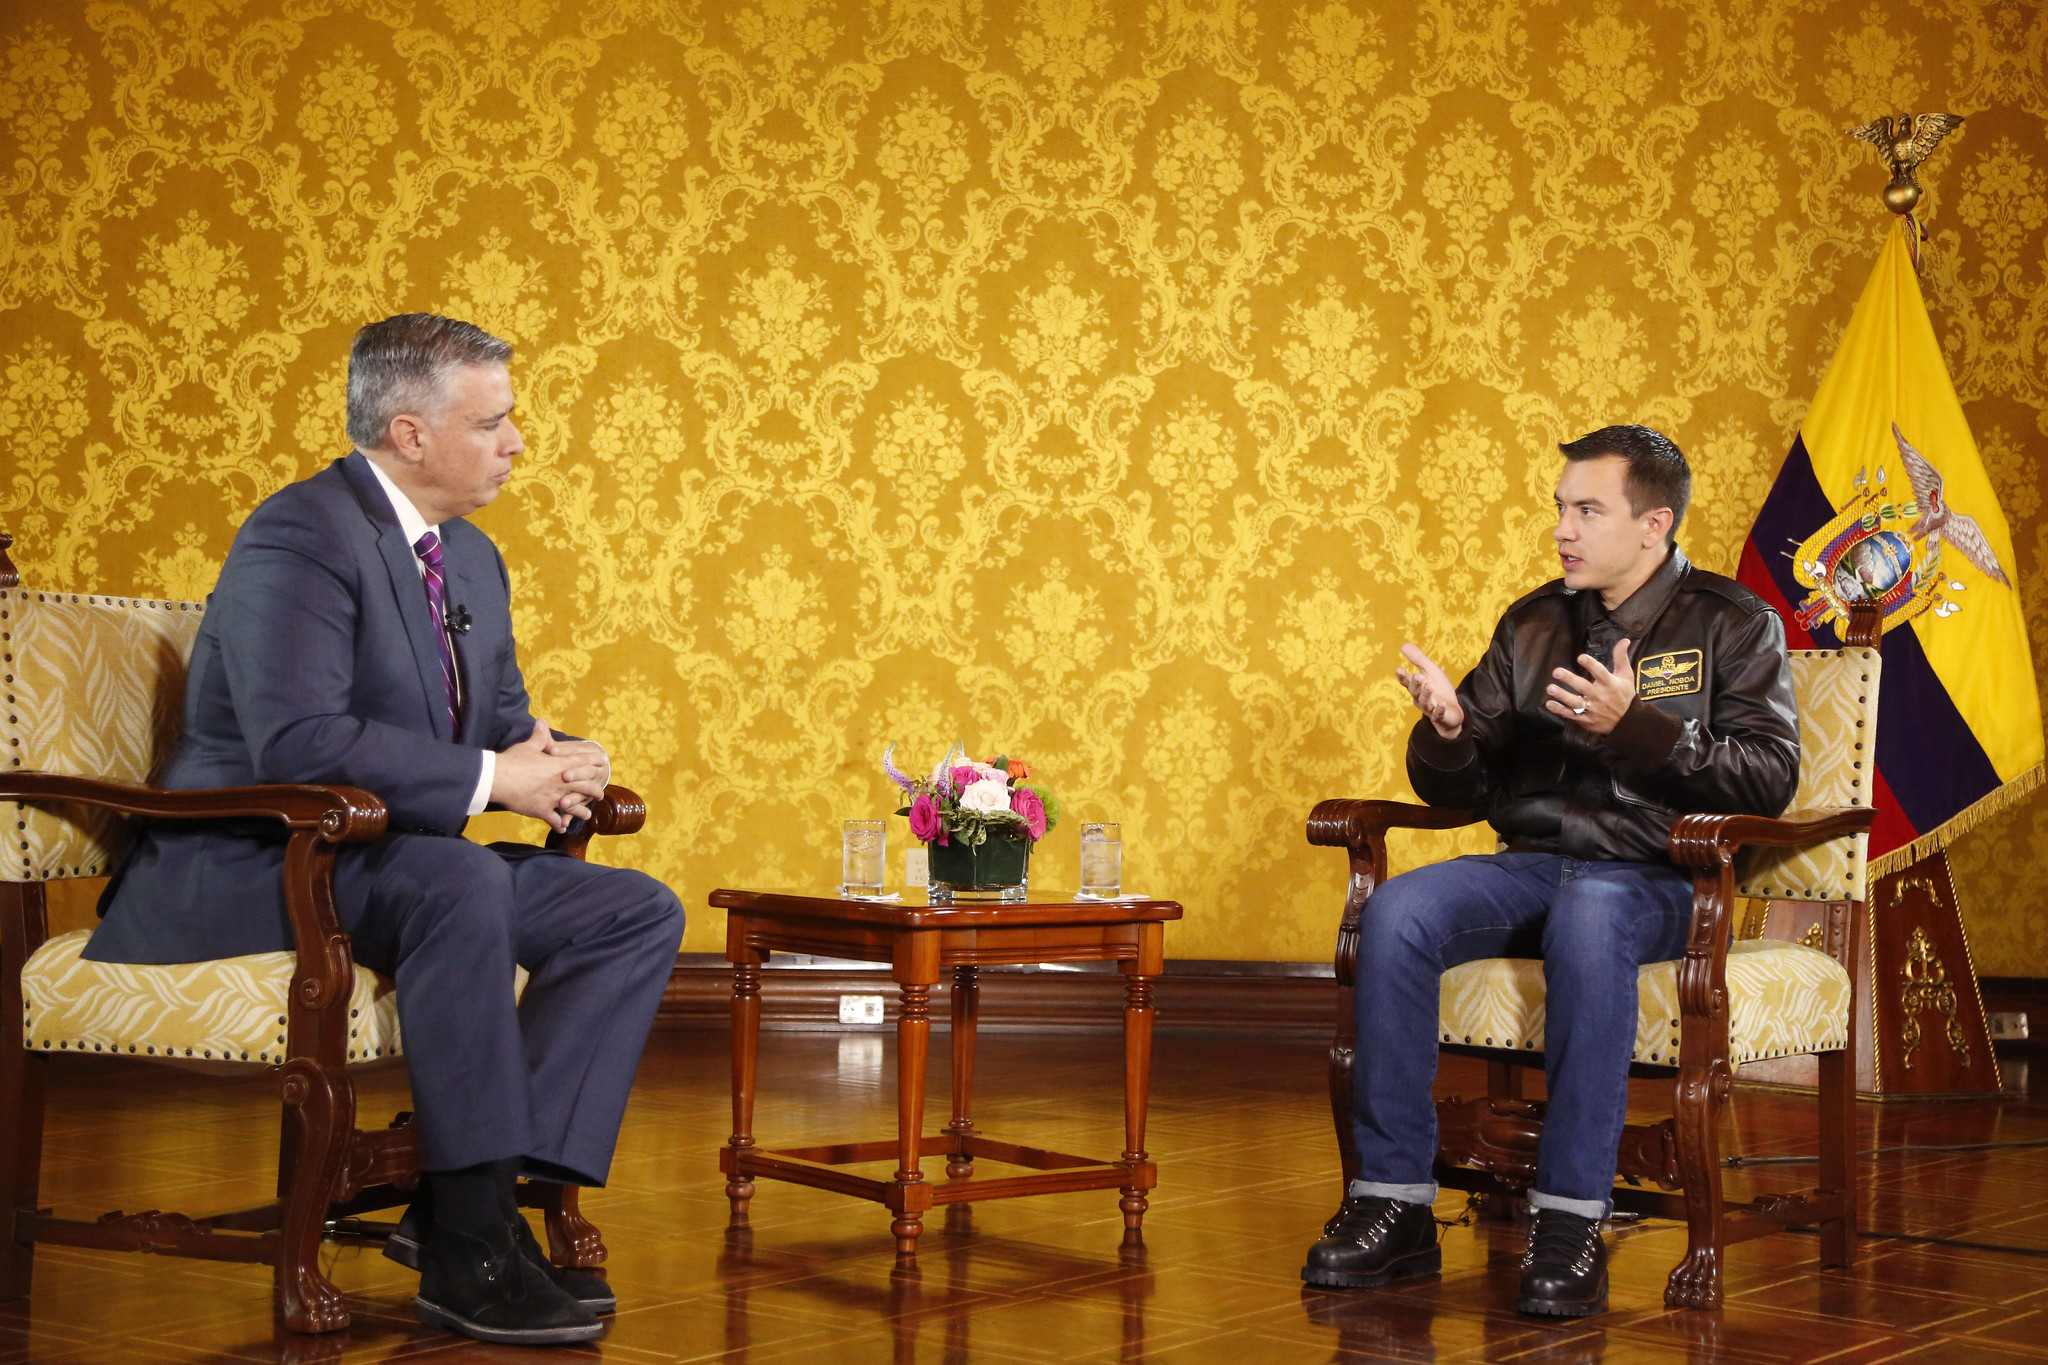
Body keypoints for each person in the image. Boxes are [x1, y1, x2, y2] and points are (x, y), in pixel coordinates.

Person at [89, 314, 686, 1347]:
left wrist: (559, 760)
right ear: (410, 434)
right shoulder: (298, 536)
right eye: (492, 422)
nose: (516, 443)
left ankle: (465, 1205)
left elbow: (501, 723)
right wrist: (496, 778)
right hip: (249, 860)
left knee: (628, 909)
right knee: (461, 884)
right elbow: (298, 738)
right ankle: (472, 1244)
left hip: (382, 859)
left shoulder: (470, 557)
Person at [1300, 425, 1799, 1317]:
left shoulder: (1734, 621)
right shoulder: (1533, 622)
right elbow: (1462, 783)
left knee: (1592, 912)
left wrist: (1637, 725)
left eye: (1587, 510)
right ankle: (1394, 1204)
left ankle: (1569, 1218)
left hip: (1659, 876)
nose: (1563, 529)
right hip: (1535, 864)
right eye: (1560, 508)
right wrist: (1450, 732)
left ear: (1653, 524)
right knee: (1399, 911)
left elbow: (1768, 776)